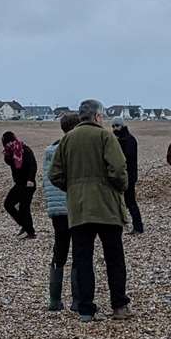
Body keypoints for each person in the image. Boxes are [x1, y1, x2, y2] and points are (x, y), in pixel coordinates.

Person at [48, 99, 132, 322]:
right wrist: (119, 187)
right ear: (97, 116)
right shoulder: (105, 136)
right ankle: (119, 306)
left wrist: (73, 187)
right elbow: (118, 169)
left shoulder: (67, 140)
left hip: (79, 208)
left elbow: (54, 174)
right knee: (114, 257)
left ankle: (86, 309)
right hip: (107, 207)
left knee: (83, 258)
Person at [43, 113, 80, 311]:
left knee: (60, 249)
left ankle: (55, 300)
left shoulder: (50, 150)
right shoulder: (72, 149)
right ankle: (77, 300)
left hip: (55, 208)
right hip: (73, 205)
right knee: (78, 251)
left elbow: (47, 180)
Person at [0, 132, 39, 239]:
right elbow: (11, 163)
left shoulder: (24, 149)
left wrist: (30, 180)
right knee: (19, 207)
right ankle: (27, 228)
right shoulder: (10, 152)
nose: (8, 145)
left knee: (18, 206)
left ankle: (29, 230)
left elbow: (33, 165)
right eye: (6, 144)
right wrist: (7, 155)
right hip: (19, 183)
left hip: (28, 184)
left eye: (9, 143)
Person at [113, 122, 145, 234]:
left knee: (130, 202)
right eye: (113, 126)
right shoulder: (120, 139)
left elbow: (126, 157)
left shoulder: (129, 140)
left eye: (117, 126)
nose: (115, 128)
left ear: (122, 126)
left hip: (129, 176)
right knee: (121, 201)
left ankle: (138, 226)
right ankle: (122, 225)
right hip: (122, 175)